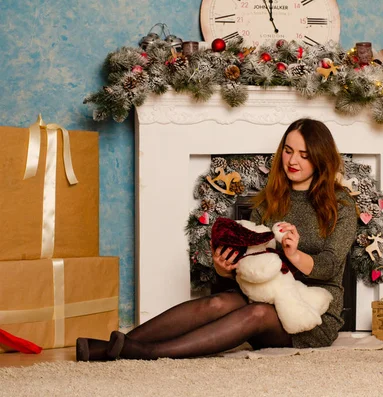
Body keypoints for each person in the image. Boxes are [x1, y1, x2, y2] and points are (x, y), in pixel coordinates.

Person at [76, 118, 357, 361]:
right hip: (264, 294)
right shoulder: (271, 202)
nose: (293, 161)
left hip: (310, 313)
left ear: (320, 158)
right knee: (217, 304)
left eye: (304, 155)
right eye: (288, 150)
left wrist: (294, 254)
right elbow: (251, 263)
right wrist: (225, 268)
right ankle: (119, 344)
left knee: (256, 313)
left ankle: (149, 353)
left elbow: (331, 265)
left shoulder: (340, 204)